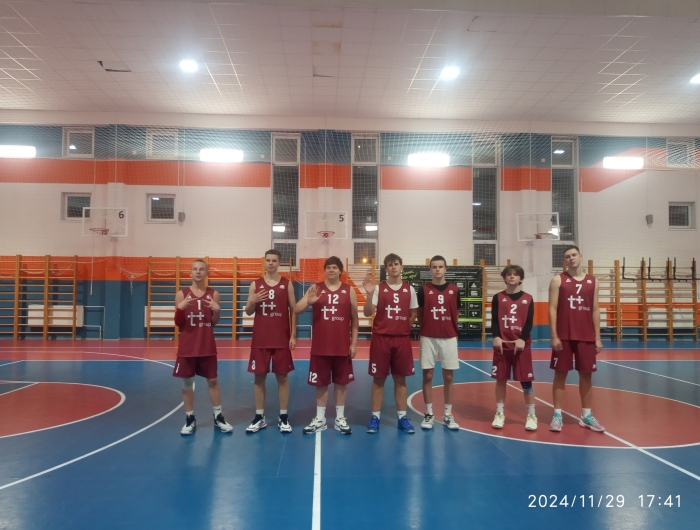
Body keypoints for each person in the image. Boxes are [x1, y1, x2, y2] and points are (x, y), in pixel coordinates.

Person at [295, 256, 358, 435]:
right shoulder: (315, 288)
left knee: (341, 382)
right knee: (320, 383)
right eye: (328, 267)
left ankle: (340, 418)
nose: (331, 270)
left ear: (340, 271)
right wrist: (308, 302)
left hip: (342, 345)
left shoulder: (349, 290)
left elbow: (355, 320)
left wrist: (353, 343)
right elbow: (296, 309)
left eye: (334, 267)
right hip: (321, 345)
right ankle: (320, 418)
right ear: (325, 270)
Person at [548, 245, 605, 433]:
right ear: (564, 261)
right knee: (560, 374)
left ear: (580, 256)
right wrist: (554, 335)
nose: (571, 258)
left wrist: (597, 337)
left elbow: (595, 309)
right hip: (563, 335)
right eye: (567, 256)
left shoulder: (593, 281)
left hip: (586, 336)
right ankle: (557, 414)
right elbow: (552, 309)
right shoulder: (558, 280)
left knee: (586, 375)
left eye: (573, 255)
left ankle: (586, 415)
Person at [173, 259, 233, 436]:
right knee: (187, 381)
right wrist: (180, 309)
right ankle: (190, 418)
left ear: (207, 273)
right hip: (188, 346)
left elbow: (214, 322)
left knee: (213, 380)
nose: (198, 272)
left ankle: (218, 417)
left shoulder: (214, 294)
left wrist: (217, 310)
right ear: (190, 273)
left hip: (206, 344)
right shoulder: (181, 294)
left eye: (201, 269)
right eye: (195, 269)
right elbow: (179, 324)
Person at [362, 253, 419, 434]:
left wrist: (402, 328)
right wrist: (369, 295)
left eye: (396, 264)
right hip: (381, 339)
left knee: (400, 379)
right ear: (386, 268)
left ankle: (402, 418)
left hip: (401, 339)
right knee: (378, 379)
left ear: (402, 267)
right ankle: (375, 417)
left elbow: (413, 313)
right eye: (390, 264)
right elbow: (367, 312)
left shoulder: (409, 290)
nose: (393, 267)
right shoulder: (379, 289)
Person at [244, 249, 297, 433]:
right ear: (264, 262)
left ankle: (283, 416)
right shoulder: (255, 284)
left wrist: (293, 335)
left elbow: (294, 310)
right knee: (259, 378)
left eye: (274, 260)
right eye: (268, 260)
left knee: (283, 377)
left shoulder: (287, 284)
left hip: (281, 338)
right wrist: (252, 301)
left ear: (279, 263)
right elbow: (248, 312)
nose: (271, 263)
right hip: (261, 339)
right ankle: (259, 417)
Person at [490, 264, 537, 431]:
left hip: (521, 346)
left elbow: (529, 322)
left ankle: (531, 415)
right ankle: (499, 413)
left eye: (515, 274)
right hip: (503, 346)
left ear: (521, 279)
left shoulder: (528, 298)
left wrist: (522, 339)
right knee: (500, 380)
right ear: (504, 278)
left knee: (526, 382)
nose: (512, 276)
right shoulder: (497, 297)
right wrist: (495, 336)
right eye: (509, 274)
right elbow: (494, 320)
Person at [417, 255, 460, 430]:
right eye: (434, 267)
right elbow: (420, 313)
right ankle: (429, 413)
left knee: (448, 376)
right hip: (428, 336)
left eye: (440, 267)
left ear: (445, 269)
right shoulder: (423, 290)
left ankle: (448, 414)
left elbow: (456, 313)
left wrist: (452, 330)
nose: (437, 270)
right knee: (427, 375)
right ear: (430, 270)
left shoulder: (454, 290)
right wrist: (428, 326)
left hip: (449, 336)